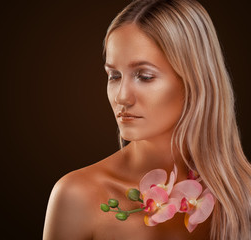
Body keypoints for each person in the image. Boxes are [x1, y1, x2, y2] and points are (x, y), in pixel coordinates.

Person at [43, 0, 251, 239]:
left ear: (194, 83)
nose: (122, 97)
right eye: (114, 75)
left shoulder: (242, 196)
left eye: (144, 76)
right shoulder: (77, 195)